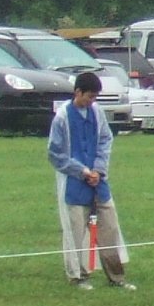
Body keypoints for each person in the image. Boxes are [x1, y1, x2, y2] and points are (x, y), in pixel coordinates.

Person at [46, 69, 136, 289]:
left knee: (110, 227)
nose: (92, 101)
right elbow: (55, 154)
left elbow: (106, 140)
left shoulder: (97, 113)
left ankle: (116, 277)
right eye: (89, 96)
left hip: (98, 182)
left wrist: (98, 170)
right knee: (76, 231)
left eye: (95, 97)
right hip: (73, 183)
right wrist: (82, 171)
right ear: (78, 92)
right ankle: (79, 276)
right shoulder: (62, 118)